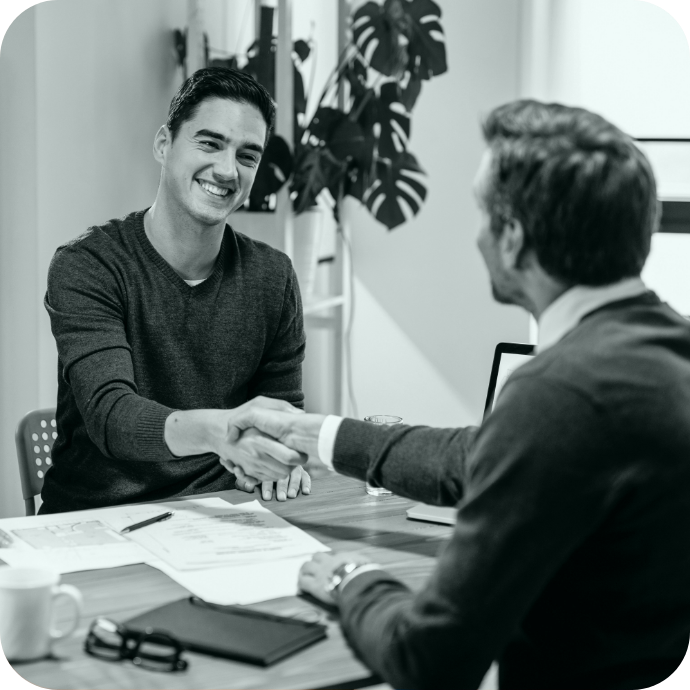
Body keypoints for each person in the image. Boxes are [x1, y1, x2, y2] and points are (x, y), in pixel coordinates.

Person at [224, 101, 690, 689]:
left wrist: (352, 579)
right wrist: (313, 432)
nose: (476, 235)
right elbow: (478, 456)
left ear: (515, 237)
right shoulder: (665, 355)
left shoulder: (560, 395)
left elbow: (430, 659)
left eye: (481, 212)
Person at [42, 67, 312, 514]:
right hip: (98, 521)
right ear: (163, 144)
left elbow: (280, 415)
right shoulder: (88, 266)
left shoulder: (272, 276)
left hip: (227, 515)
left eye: (248, 156)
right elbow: (114, 418)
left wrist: (283, 456)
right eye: (209, 143)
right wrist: (222, 431)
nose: (227, 170)